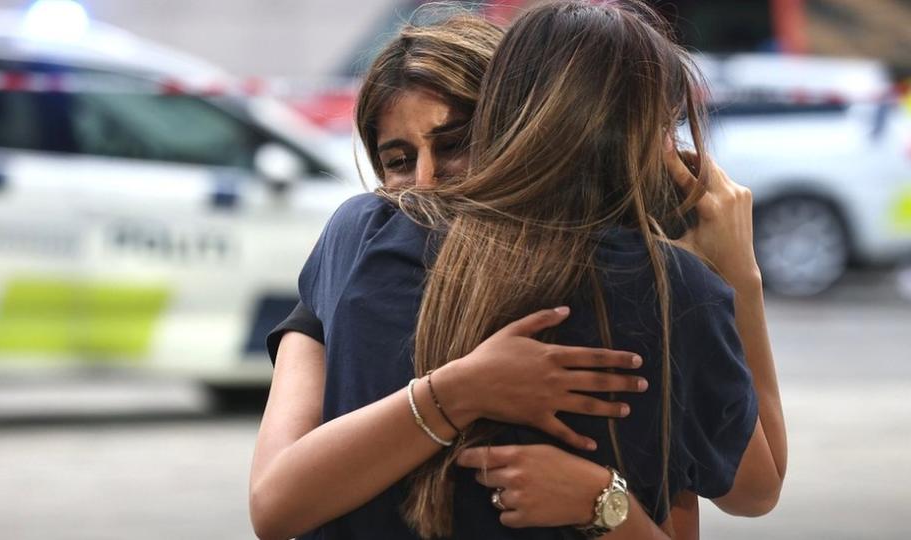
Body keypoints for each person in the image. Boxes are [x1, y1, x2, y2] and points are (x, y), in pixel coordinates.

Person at [252, 3, 788, 539]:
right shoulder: (363, 236)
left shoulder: (364, 234)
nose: (427, 182)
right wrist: (738, 276)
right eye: (397, 159)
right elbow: (274, 501)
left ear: (512, 123)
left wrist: (598, 499)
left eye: (456, 143)